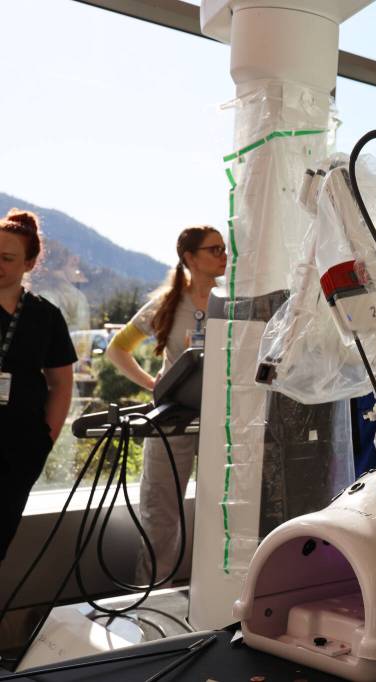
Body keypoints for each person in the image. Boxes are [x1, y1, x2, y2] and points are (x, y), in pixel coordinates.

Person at [106, 225, 226, 582]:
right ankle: (152, 594)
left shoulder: (232, 300)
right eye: (214, 249)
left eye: (224, 248)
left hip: (220, 419)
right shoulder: (167, 304)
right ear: (190, 258)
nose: (223, 255)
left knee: (224, 511)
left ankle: (216, 594)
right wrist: (152, 384)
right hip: (173, 418)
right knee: (160, 515)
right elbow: (117, 350)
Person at [0, 209, 77, 563]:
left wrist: (44, 440)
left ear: (29, 264)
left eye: (7, 258)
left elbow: (61, 384)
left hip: (18, 452)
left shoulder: (45, 316)